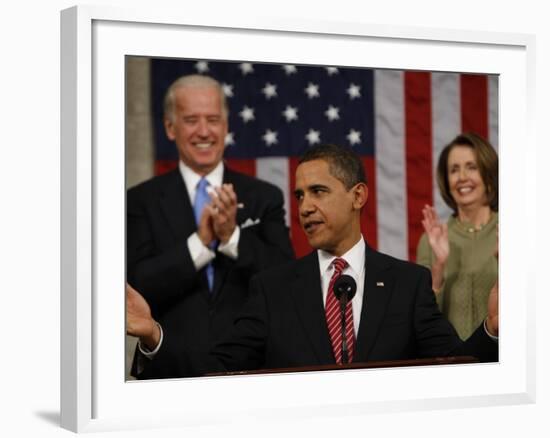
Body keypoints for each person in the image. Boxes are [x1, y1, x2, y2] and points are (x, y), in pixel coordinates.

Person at [127, 144, 498, 378]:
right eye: (300, 195)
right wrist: (153, 335)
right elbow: (216, 369)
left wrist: (493, 328)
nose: (305, 207)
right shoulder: (272, 289)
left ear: (358, 196)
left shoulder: (407, 283)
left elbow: (455, 367)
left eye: (318, 192)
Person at [127, 74, 294, 378]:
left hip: (251, 370)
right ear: (169, 127)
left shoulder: (265, 196)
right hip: (168, 368)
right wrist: (201, 242)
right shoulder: (140, 200)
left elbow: (285, 280)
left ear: (226, 126)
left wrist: (232, 237)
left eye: (213, 119)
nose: (204, 131)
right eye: (191, 120)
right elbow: (137, 285)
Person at [416, 133, 498, 340]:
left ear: (488, 173)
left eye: (471, 167)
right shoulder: (431, 240)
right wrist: (438, 269)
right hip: (451, 361)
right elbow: (421, 319)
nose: (462, 177)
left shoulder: (515, 230)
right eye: (454, 170)